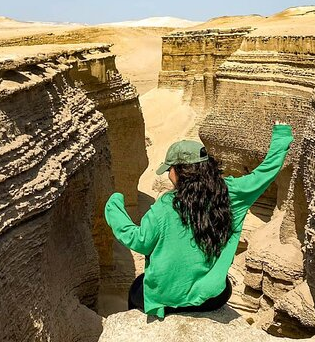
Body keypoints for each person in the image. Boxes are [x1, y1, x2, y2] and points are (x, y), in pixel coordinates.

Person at [104, 122, 293, 318]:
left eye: (170, 169)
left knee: (137, 286)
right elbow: (264, 174)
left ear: (180, 171)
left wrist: (114, 207)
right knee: (224, 284)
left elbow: (139, 241)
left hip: (168, 299)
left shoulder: (166, 205)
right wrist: (281, 137)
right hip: (210, 298)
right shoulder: (231, 193)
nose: (168, 175)